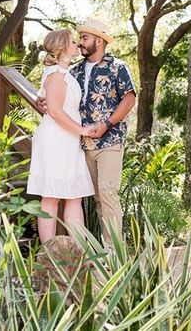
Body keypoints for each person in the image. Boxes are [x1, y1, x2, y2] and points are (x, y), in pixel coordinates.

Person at [38, 19, 136, 243]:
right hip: (80, 144)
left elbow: (129, 99)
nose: (80, 43)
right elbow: (55, 96)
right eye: (78, 38)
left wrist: (107, 125)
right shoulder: (74, 71)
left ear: (98, 41)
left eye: (84, 38)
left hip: (109, 140)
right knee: (96, 198)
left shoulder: (117, 67)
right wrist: (41, 102)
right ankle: (94, 250)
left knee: (108, 194)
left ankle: (114, 253)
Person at [27, 29, 96, 243]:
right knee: (51, 196)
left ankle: (79, 249)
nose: (77, 44)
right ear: (62, 48)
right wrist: (82, 130)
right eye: (73, 42)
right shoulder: (56, 74)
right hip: (56, 139)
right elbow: (55, 111)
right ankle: (49, 251)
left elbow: (45, 99)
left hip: (68, 141)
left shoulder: (63, 72)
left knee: (74, 195)